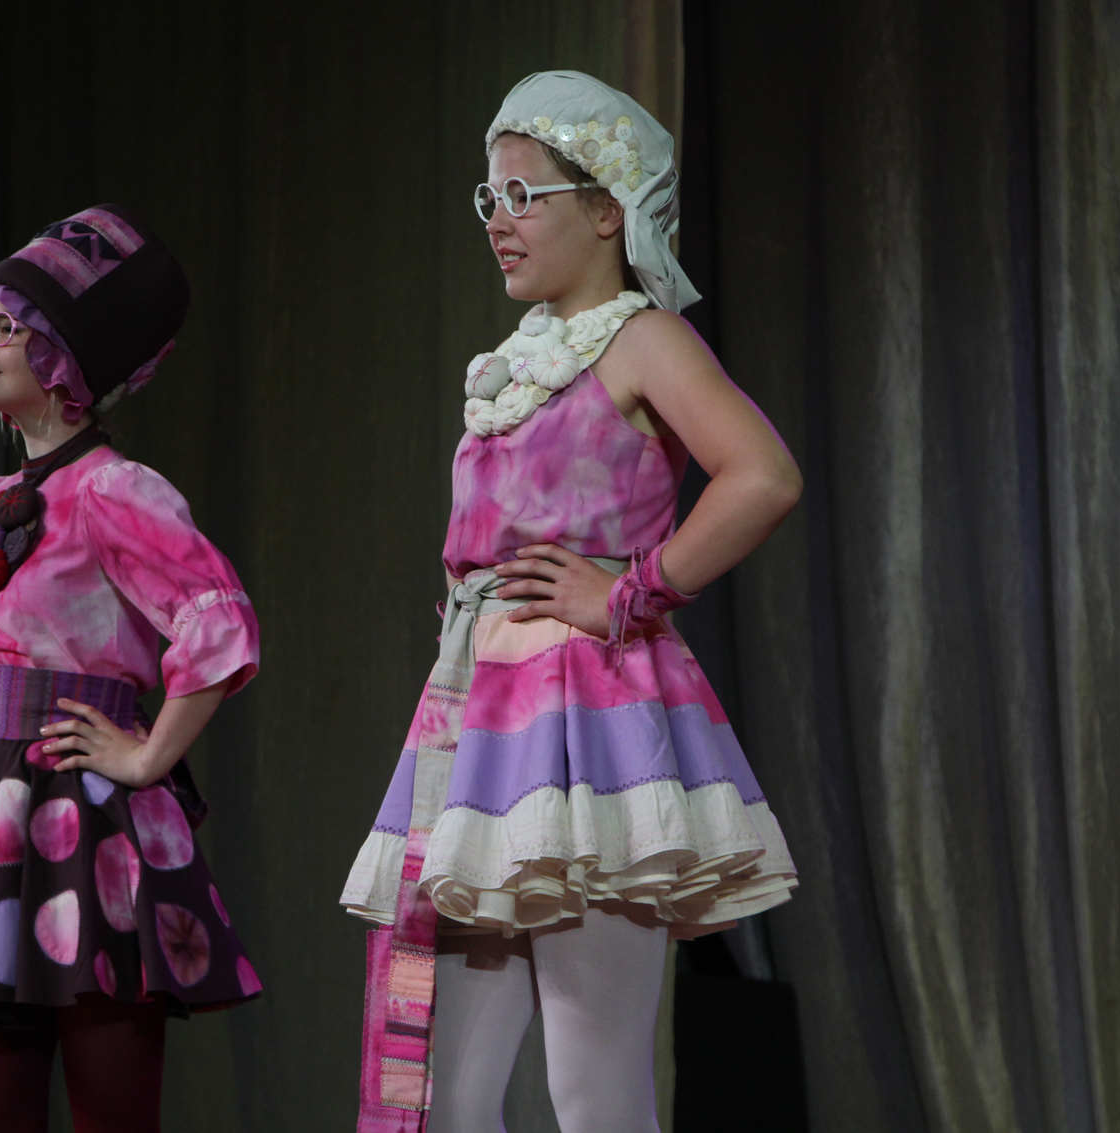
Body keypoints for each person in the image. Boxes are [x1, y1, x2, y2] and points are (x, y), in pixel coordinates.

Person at [340, 71, 801, 1132]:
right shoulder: (515, 363)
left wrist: (632, 588)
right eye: (488, 198)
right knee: (445, 1097)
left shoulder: (642, 339)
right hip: (482, 725)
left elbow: (763, 476)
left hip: (587, 725)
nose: (497, 221)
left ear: (605, 208)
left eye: (522, 195)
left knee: (591, 1089)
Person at [0, 205, 262, 1133]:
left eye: (5, 326)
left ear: (63, 358)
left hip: (93, 822)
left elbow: (217, 620)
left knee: (111, 1110)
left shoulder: (115, 491)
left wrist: (146, 754)